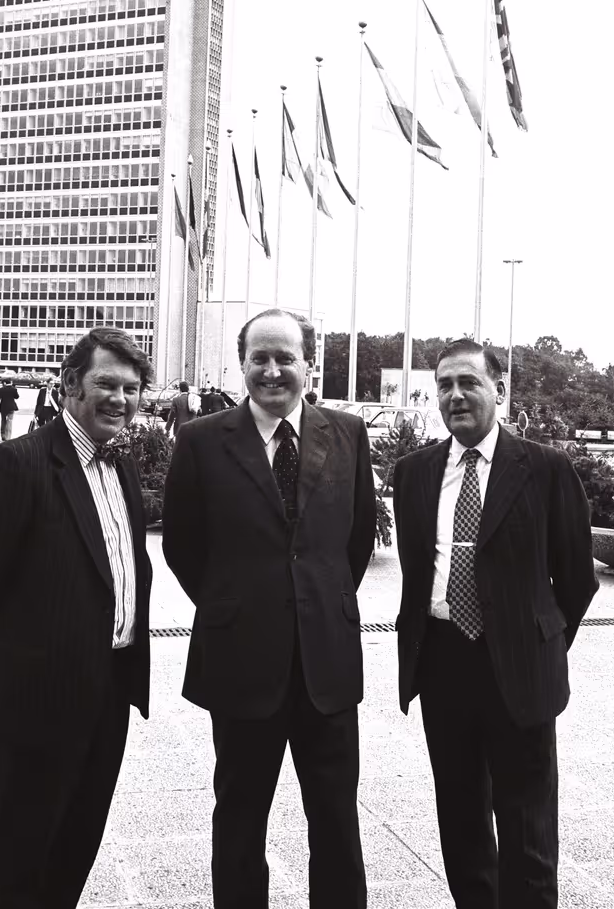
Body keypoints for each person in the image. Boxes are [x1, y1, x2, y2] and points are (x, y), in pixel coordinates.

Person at [163, 308, 377, 909]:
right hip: (239, 662)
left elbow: (355, 539)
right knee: (239, 817)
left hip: (326, 667)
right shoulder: (203, 440)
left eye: (286, 356)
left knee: (336, 819)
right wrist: (235, 606)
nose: (273, 369)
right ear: (242, 364)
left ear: (309, 363)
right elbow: (183, 544)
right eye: (260, 357)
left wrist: (318, 603)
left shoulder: (348, 434)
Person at [0, 328, 154, 909]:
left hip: (108, 695)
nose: (120, 399)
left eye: (131, 388)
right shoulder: (17, 466)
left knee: (75, 850)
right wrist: (4, 672)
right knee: (20, 861)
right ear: (68, 386)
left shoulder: (122, 466)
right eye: (105, 384)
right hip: (34, 703)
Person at [392, 338, 598, 909]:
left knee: (527, 829)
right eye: (444, 386)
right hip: (442, 662)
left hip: (520, 670)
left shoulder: (546, 469)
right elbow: (414, 571)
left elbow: (577, 580)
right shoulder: (413, 474)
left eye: (469, 383)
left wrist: (538, 642)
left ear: (499, 391)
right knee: (460, 821)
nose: (455, 395)